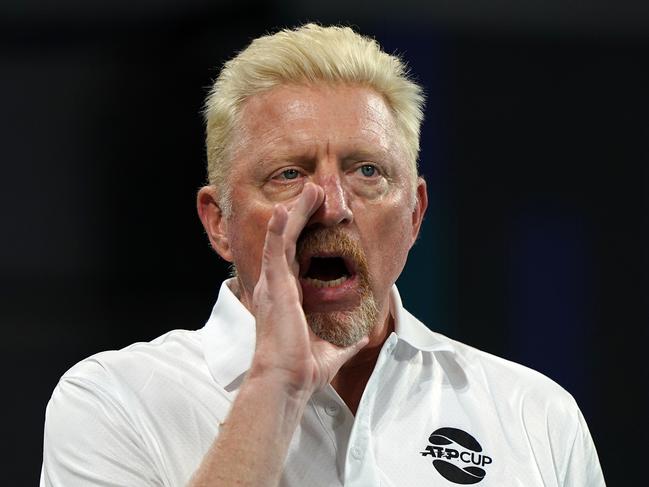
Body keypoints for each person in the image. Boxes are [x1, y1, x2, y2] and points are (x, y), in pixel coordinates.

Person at [40, 24, 605, 487]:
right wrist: (275, 386)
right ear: (219, 223)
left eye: (368, 171)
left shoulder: (534, 415)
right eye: (289, 175)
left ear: (414, 215)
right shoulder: (112, 402)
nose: (332, 206)